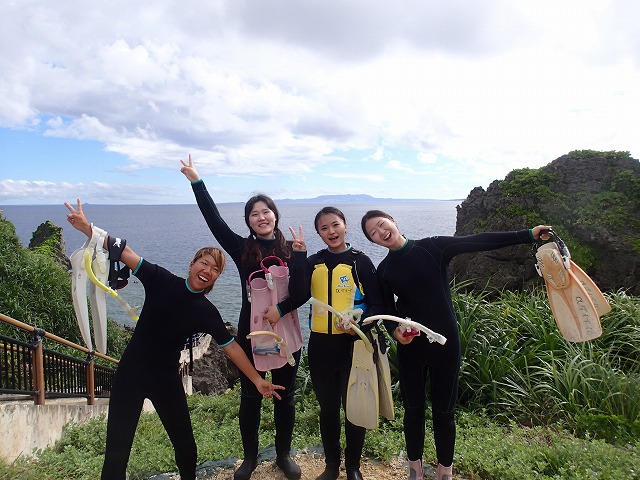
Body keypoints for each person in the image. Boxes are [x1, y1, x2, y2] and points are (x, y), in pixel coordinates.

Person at [65, 199, 284, 480]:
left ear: (216, 278)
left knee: (186, 448)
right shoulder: (161, 280)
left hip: (166, 381)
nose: (207, 270)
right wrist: (89, 229)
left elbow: (231, 348)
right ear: (192, 264)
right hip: (130, 376)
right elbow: (125, 252)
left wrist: (256, 380)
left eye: (214, 269)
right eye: (204, 263)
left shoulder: (207, 312)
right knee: (117, 452)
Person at [360, 210, 551, 480]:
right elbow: (387, 309)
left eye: (382, 225)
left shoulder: (433, 247)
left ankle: (444, 473)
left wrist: (528, 234)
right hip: (411, 348)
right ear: (374, 241)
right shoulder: (385, 270)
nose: (381, 232)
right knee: (413, 410)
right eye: (374, 233)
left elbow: (479, 240)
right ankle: (415, 470)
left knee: (444, 412)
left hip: (446, 345)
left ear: (393, 221)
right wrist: (395, 331)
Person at [180, 156, 307, 480]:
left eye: (266, 211)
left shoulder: (292, 249)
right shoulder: (241, 249)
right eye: (254, 213)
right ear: (249, 221)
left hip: (287, 335)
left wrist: (302, 256)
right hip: (252, 336)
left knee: (285, 399)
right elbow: (214, 221)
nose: (261, 217)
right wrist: (197, 182)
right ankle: (249, 458)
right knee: (251, 399)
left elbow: (303, 290)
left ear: (275, 215)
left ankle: (283, 454)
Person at [301, 207, 384, 480]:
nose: (331, 232)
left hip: (352, 346)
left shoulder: (361, 262)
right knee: (327, 409)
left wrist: (360, 324)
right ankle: (331, 465)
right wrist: (298, 257)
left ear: (345, 225)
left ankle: (353, 467)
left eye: (335, 225)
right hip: (320, 348)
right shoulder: (313, 262)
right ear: (318, 233)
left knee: (353, 408)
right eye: (324, 228)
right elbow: (297, 294)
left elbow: (377, 305)